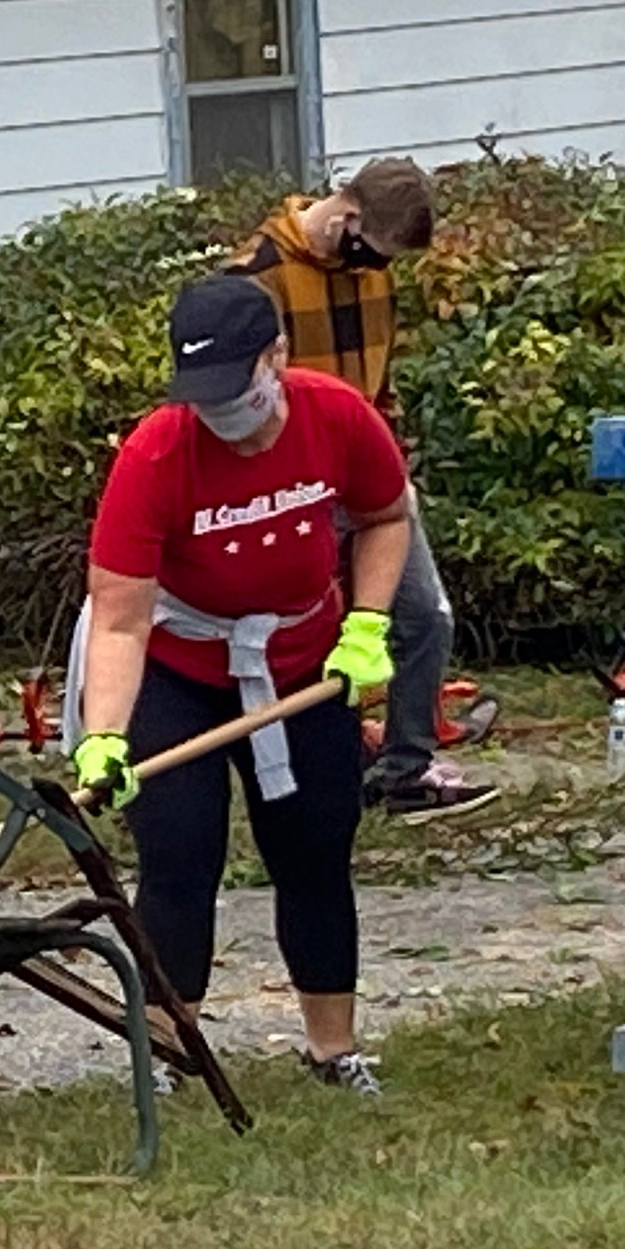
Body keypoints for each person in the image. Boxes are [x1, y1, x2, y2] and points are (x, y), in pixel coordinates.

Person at [71, 276, 410, 1095]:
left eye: (236, 388)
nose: (222, 410)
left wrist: (365, 626)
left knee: (315, 851)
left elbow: (387, 516)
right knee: (180, 853)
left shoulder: (336, 417)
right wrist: (105, 734)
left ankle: (334, 1051)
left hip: (300, 664)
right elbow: (120, 618)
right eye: (205, 396)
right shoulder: (155, 454)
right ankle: (169, 1055)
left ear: (277, 359)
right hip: (179, 667)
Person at [225, 157, 498, 821]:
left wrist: (393, 465)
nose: (379, 269)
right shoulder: (256, 276)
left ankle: (406, 768)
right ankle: (323, 773)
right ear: (347, 217)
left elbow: (380, 383)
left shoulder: (372, 279)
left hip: (367, 480)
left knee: (422, 617)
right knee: (310, 637)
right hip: (294, 489)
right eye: (374, 253)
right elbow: (241, 398)